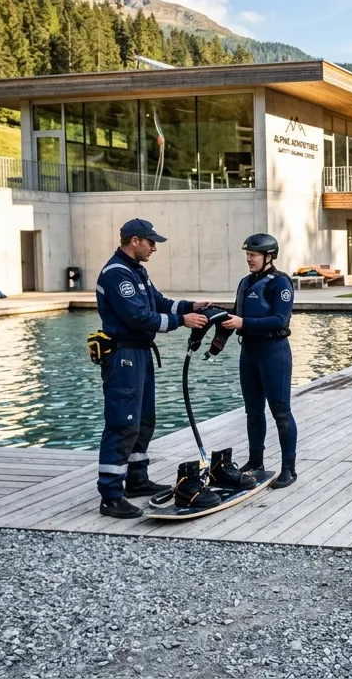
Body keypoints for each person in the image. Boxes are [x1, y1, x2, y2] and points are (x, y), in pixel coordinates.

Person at [94, 218, 210, 519]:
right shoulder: (116, 274)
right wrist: (180, 322)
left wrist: (189, 307)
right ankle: (110, 495)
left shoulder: (137, 271)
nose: (154, 248)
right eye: (150, 242)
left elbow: (158, 302)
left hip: (140, 355)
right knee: (123, 423)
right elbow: (139, 317)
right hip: (123, 357)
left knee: (144, 420)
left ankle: (136, 479)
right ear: (134, 241)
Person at [220, 233, 298, 489]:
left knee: (281, 412)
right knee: (253, 412)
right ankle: (256, 462)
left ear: (268, 256)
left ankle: (289, 469)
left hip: (274, 353)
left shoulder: (280, 283)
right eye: (247, 255)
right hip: (249, 353)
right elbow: (237, 314)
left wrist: (244, 323)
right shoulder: (244, 283)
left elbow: (279, 319)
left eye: (252, 255)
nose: (248, 259)